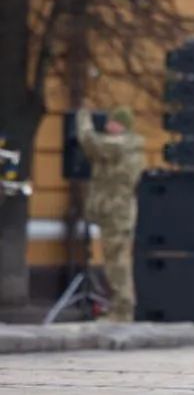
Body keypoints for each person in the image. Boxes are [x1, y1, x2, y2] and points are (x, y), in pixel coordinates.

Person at [75, 105, 145, 322]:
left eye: (111, 122)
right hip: (119, 212)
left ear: (121, 125)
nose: (106, 126)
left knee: (117, 263)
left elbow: (90, 143)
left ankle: (122, 311)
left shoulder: (119, 144)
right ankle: (121, 308)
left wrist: (83, 119)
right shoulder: (129, 146)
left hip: (116, 212)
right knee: (117, 260)